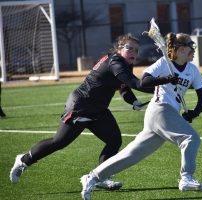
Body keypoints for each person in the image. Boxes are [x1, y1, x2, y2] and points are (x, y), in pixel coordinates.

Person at [9, 33, 169, 189]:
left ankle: (101, 177)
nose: (133, 52)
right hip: (80, 106)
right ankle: (23, 160)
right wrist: (166, 84)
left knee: (114, 140)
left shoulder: (124, 63)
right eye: (129, 48)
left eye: (136, 49)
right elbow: (137, 84)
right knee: (59, 142)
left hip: (98, 109)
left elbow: (124, 87)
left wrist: (134, 101)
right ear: (119, 48)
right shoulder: (116, 62)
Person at [80, 32, 202, 200]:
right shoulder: (164, 63)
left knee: (132, 154)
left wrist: (194, 113)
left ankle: (93, 177)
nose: (193, 51)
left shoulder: (192, 69)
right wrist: (167, 79)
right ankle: (186, 177)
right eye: (190, 47)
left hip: (165, 116)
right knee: (191, 138)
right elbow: (144, 82)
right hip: (160, 109)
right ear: (182, 49)